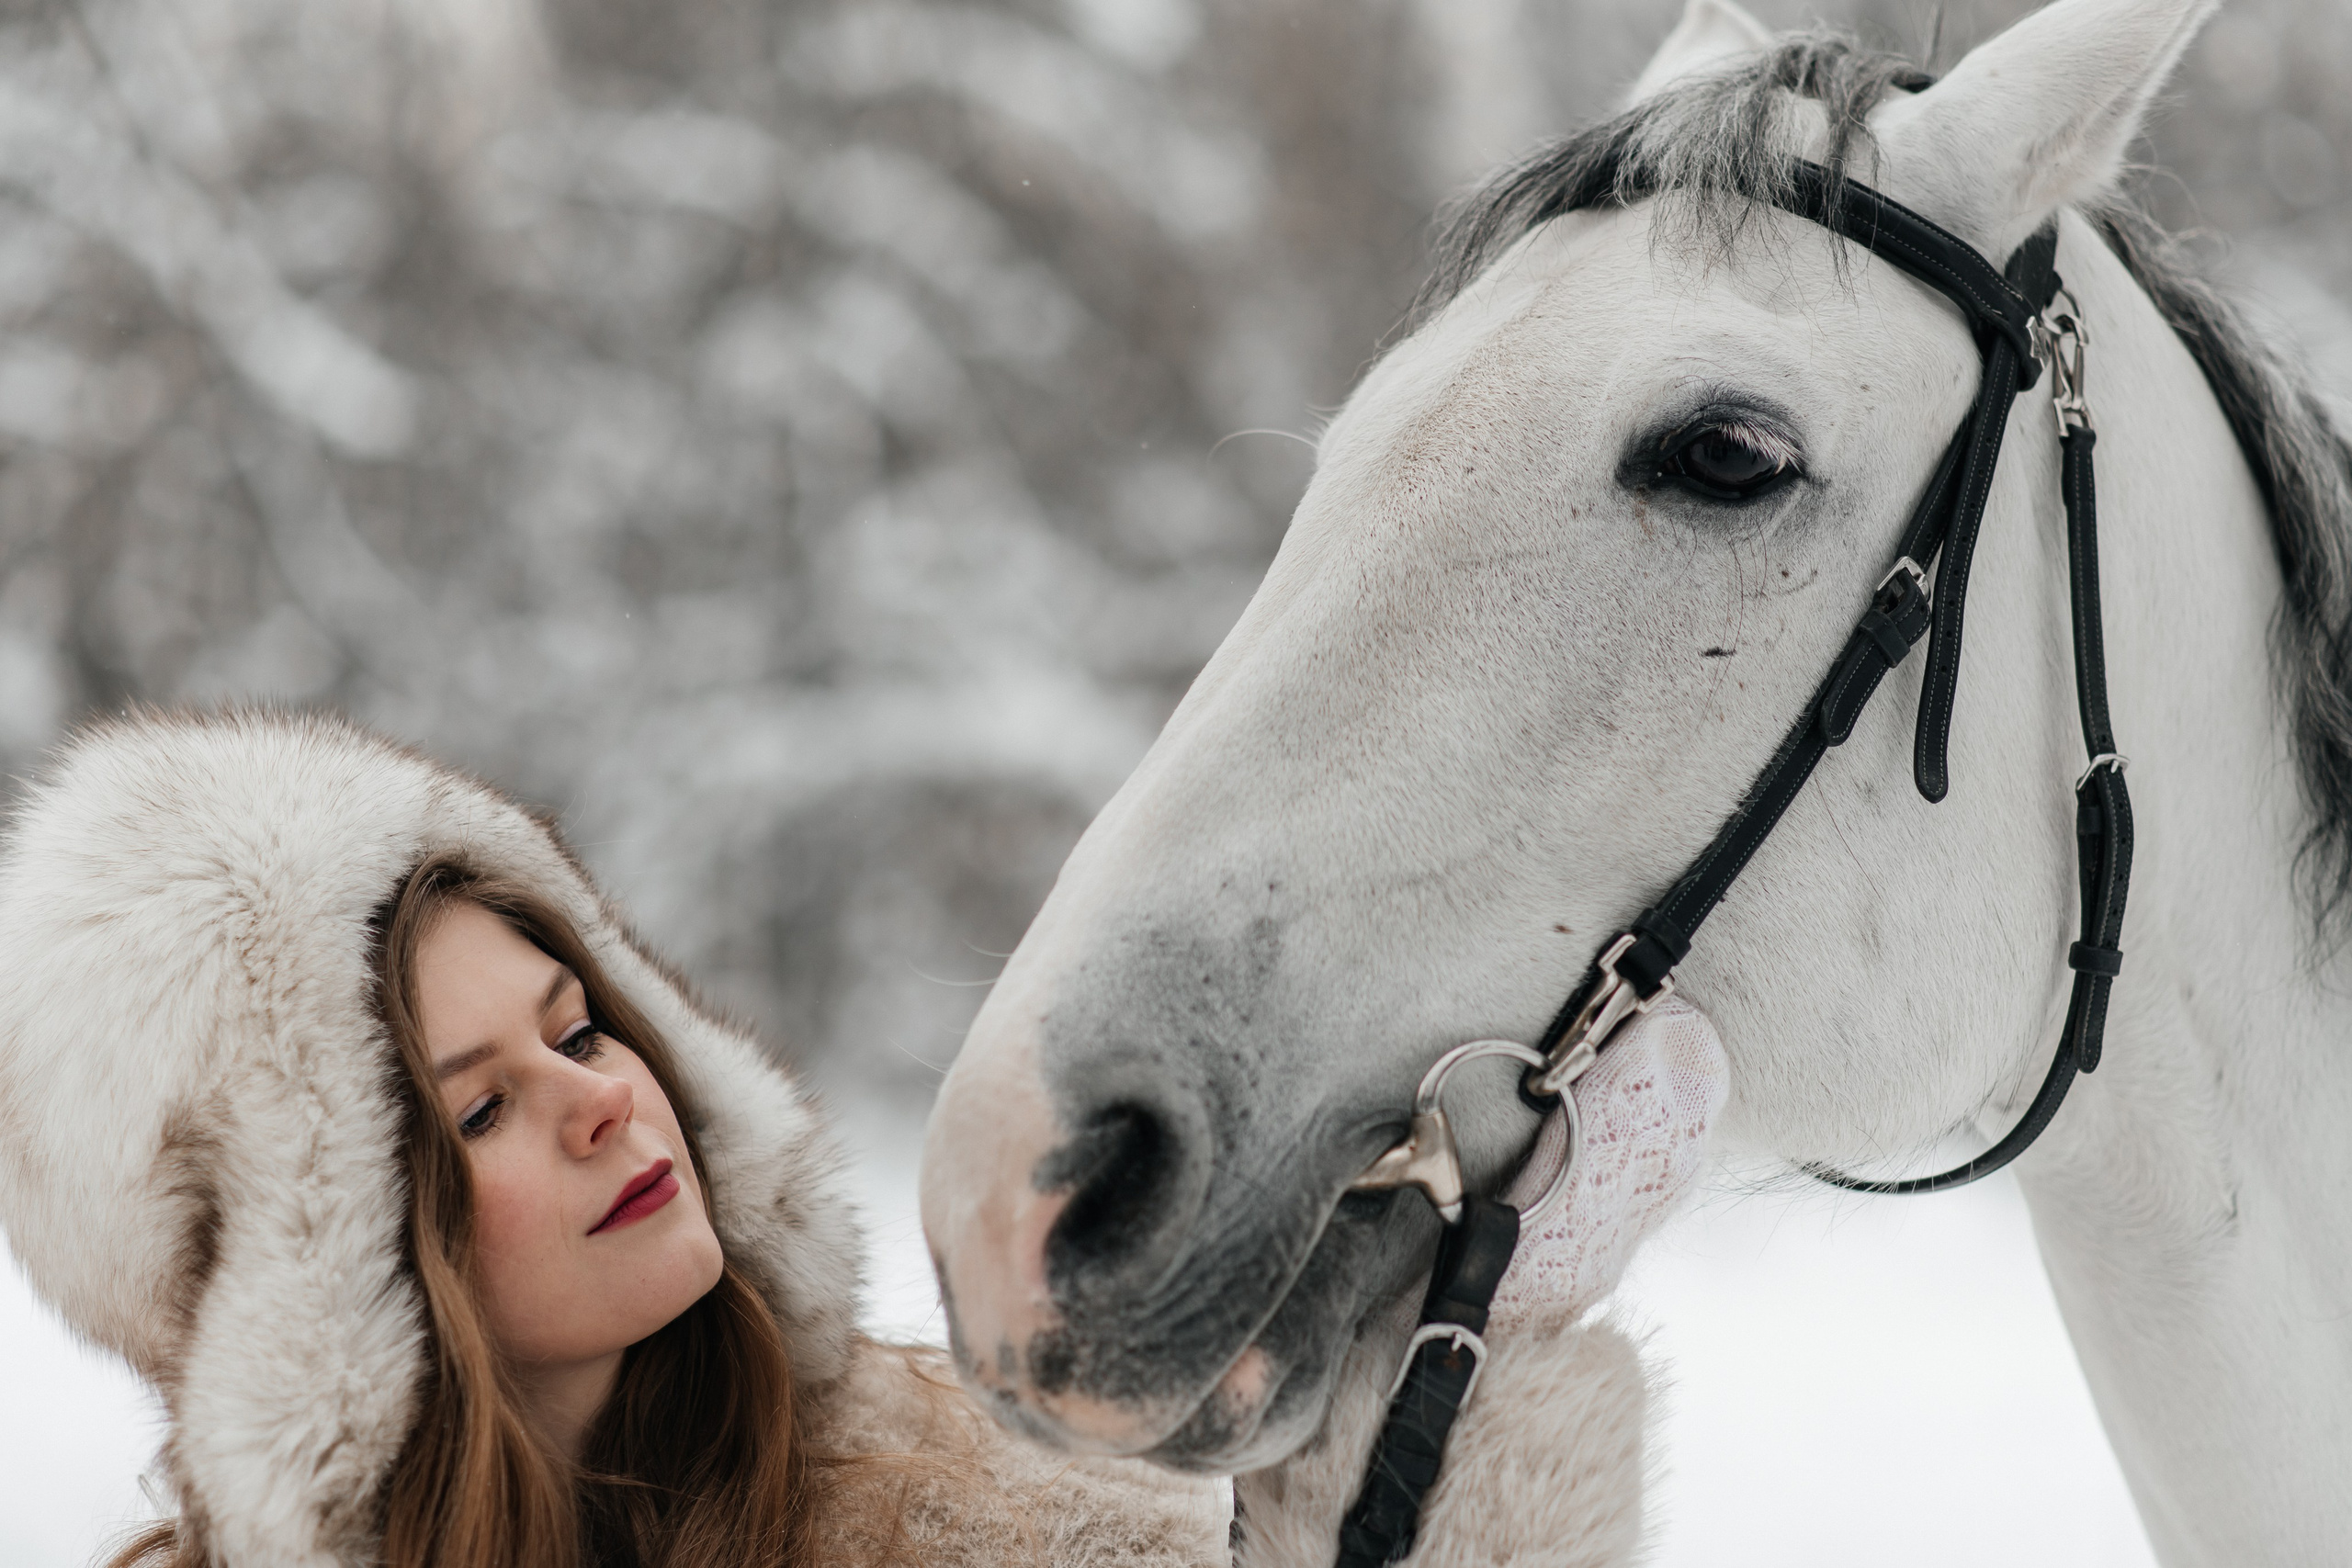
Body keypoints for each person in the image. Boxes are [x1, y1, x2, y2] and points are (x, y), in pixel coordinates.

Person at [0, 710, 1668, 1567]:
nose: (599, 1099)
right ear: (315, 1279)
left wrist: (1455, 1463)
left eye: (583, 1027)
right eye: (483, 1110)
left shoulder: (1017, 1521)